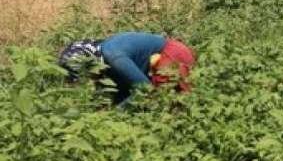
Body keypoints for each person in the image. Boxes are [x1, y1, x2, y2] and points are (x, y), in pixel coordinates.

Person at [59, 32, 196, 105]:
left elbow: (145, 89)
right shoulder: (103, 56)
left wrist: (115, 116)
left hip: (173, 55)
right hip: (155, 66)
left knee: (166, 102)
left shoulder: (113, 57)